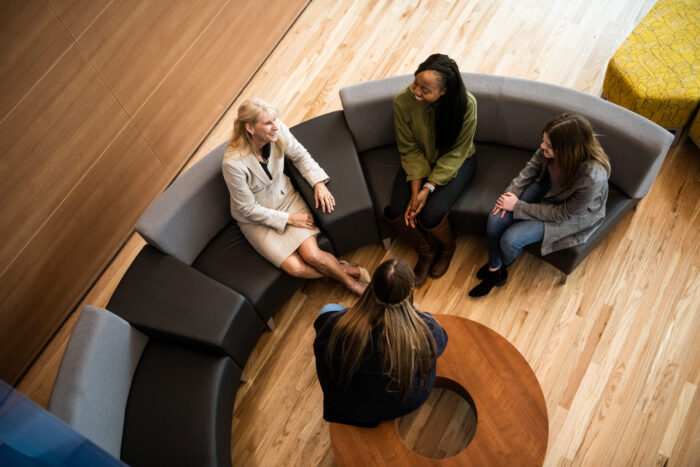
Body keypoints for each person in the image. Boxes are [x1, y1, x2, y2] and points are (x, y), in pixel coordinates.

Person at [222, 98, 370, 295]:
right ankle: (344, 270)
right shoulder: (233, 163)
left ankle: (351, 285)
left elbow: (300, 156)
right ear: (250, 128)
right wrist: (290, 219)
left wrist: (318, 183)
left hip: (286, 199)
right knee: (295, 268)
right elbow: (246, 208)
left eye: (275, 119)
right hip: (255, 220)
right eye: (268, 123)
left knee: (313, 256)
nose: (276, 126)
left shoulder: (278, 130)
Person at [469, 112, 611, 297]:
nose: (542, 146)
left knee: (510, 240)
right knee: (495, 220)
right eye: (543, 140)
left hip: (571, 215)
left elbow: (564, 214)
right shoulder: (548, 148)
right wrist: (510, 194)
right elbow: (528, 171)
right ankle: (495, 270)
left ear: (568, 151)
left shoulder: (592, 177)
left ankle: (502, 263)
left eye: (549, 146)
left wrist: (518, 207)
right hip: (548, 189)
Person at [313, 258, 448, 427]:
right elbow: (442, 341)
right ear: (409, 293)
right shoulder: (426, 330)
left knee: (328, 309)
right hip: (404, 405)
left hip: (348, 406)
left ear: (371, 288)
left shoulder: (335, 327)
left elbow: (319, 345)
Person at [386, 53, 478, 287]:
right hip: (419, 161)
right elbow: (409, 149)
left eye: (425, 90)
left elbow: (457, 152)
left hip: (456, 161)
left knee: (430, 213)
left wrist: (429, 188)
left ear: (444, 91)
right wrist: (416, 191)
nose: (416, 91)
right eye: (416, 83)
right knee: (398, 210)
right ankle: (425, 252)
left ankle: (447, 248)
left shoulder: (467, 105)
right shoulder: (403, 101)